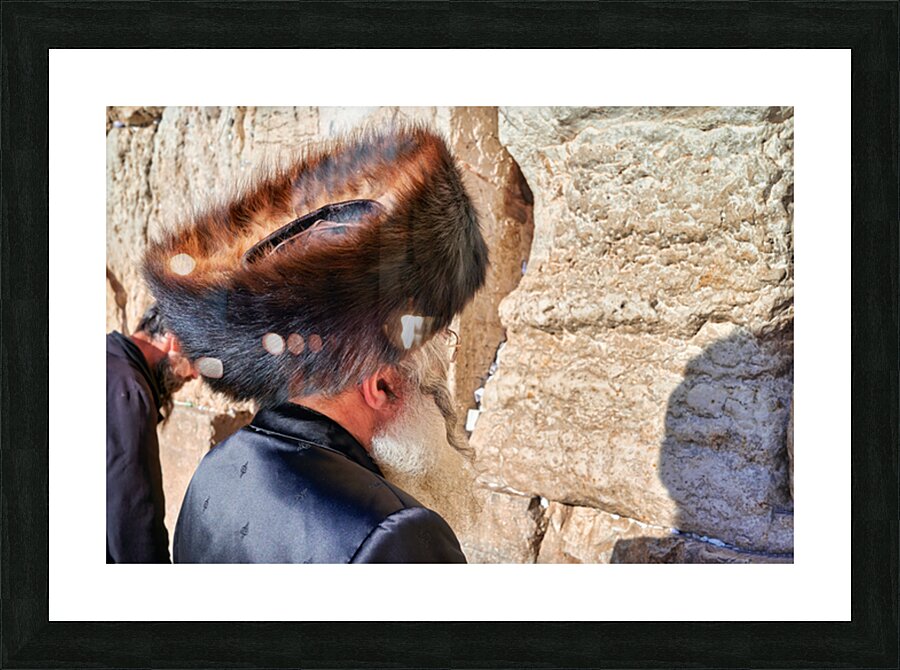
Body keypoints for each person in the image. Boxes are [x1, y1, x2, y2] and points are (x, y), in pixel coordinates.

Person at [142, 124, 489, 563]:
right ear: (381, 383)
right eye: (439, 351)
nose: (438, 389)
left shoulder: (212, 471)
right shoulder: (395, 533)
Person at [106, 304, 197, 563]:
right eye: (197, 360)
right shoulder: (130, 390)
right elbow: (134, 515)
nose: (195, 374)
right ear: (175, 341)